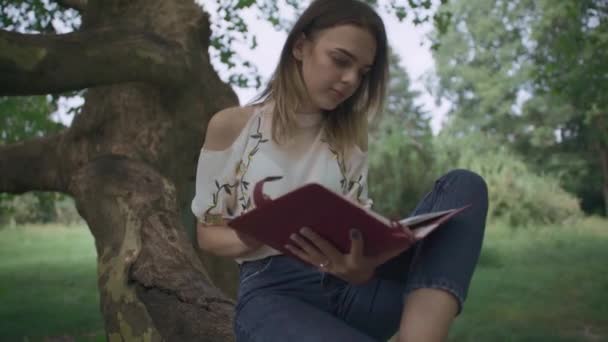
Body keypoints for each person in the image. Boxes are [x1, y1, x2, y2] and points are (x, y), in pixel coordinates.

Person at [191, 0, 488, 341]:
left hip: (356, 289)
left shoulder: (351, 136)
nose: (350, 80)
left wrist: (361, 268)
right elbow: (207, 234)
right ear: (301, 47)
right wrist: (253, 235)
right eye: (341, 60)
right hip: (276, 294)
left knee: (464, 186)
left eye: (362, 72)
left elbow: (355, 237)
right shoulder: (232, 126)